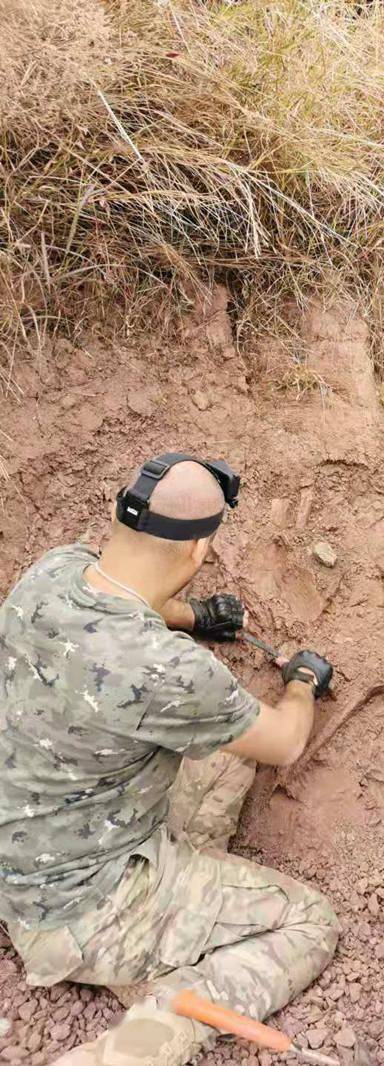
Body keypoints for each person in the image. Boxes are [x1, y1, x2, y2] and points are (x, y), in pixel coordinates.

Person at [0, 455, 339, 1066]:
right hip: (79, 910)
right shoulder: (171, 672)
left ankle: (177, 908)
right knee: (311, 922)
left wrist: (197, 618)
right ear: (198, 551)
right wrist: (303, 684)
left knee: (225, 757)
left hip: (22, 851)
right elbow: (286, 742)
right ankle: (149, 1034)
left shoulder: (53, 572)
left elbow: (135, 601)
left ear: (115, 512)